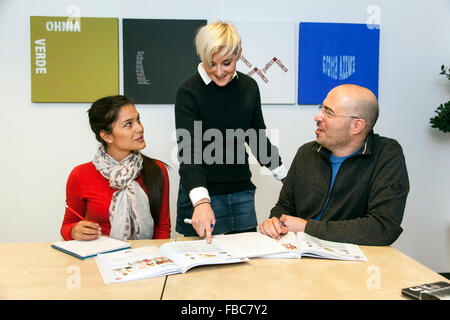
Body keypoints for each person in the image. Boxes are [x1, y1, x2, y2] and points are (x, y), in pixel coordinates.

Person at [175, 21, 287, 242]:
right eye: (211, 63)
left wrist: (286, 178)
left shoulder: (249, 88)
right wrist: (201, 202)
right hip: (201, 192)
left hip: (240, 192)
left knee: (245, 265)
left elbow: (257, 138)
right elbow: (189, 152)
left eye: (226, 63)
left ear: (238, 55)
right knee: (202, 266)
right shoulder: (188, 92)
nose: (218, 72)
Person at [259, 84, 410, 246]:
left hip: (356, 260)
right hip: (300, 253)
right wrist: (274, 222)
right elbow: (285, 206)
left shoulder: (387, 155)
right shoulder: (306, 152)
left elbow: (383, 228)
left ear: (357, 126)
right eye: (321, 108)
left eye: (328, 112)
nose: (317, 117)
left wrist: (307, 227)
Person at [61, 95, 171, 241]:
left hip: (145, 257)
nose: (139, 128)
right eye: (128, 124)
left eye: (138, 120)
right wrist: (74, 231)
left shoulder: (157, 169)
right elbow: (67, 226)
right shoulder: (80, 175)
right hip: (99, 257)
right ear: (107, 136)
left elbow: (162, 228)